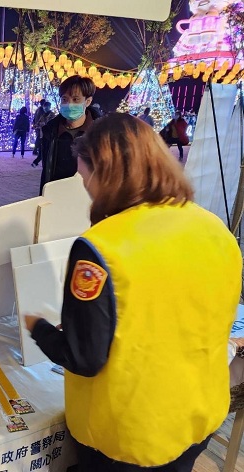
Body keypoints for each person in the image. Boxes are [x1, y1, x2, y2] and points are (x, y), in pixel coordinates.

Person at [25, 113, 242, 471]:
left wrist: (38, 326)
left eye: (85, 178)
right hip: (197, 412)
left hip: (129, 433)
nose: (86, 189)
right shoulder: (214, 228)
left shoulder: (100, 248)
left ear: (105, 175)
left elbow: (84, 357)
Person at [39, 75, 98, 195]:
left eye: (75, 99)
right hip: (55, 196)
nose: (69, 104)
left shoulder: (99, 134)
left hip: (87, 198)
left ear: (87, 101)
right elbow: (46, 171)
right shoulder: (50, 131)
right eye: (65, 99)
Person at [32, 101, 55, 167]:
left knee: (46, 150)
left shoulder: (52, 115)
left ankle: (41, 163)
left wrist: (44, 124)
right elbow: (38, 123)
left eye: (46, 107)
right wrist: (35, 126)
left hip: (49, 136)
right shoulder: (43, 115)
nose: (45, 108)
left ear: (49, 107)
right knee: (43, 150)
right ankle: (41, 163)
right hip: (42, 135)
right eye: (44, 107)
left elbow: (52, 125)